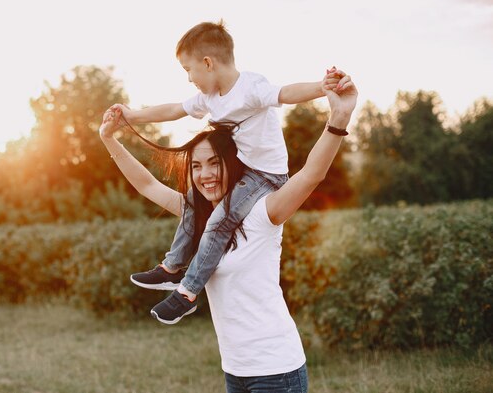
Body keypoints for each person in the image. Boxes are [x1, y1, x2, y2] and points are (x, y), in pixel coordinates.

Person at [99, 70, 357, 393]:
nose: (204, 174)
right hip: (235, 372)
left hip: (277, 371)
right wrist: (109, 138)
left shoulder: (263, 212)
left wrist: (339, 117)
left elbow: (310, 176)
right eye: (196, 166)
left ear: (234, 164)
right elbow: (146, 184)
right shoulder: (201, 215)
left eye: (213, 163)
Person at [110, 20, 345, 324]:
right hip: (245, 172)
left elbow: (285, 93)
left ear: (207, 63)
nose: (189, 79)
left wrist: (321, 87)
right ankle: (171, 267)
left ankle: (187, 294)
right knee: (195, 202)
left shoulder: (250, 87)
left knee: (219, 221)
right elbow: (172, 110)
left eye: (188, 70)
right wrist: (131, 117)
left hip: (267, 177)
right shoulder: (209, 98)